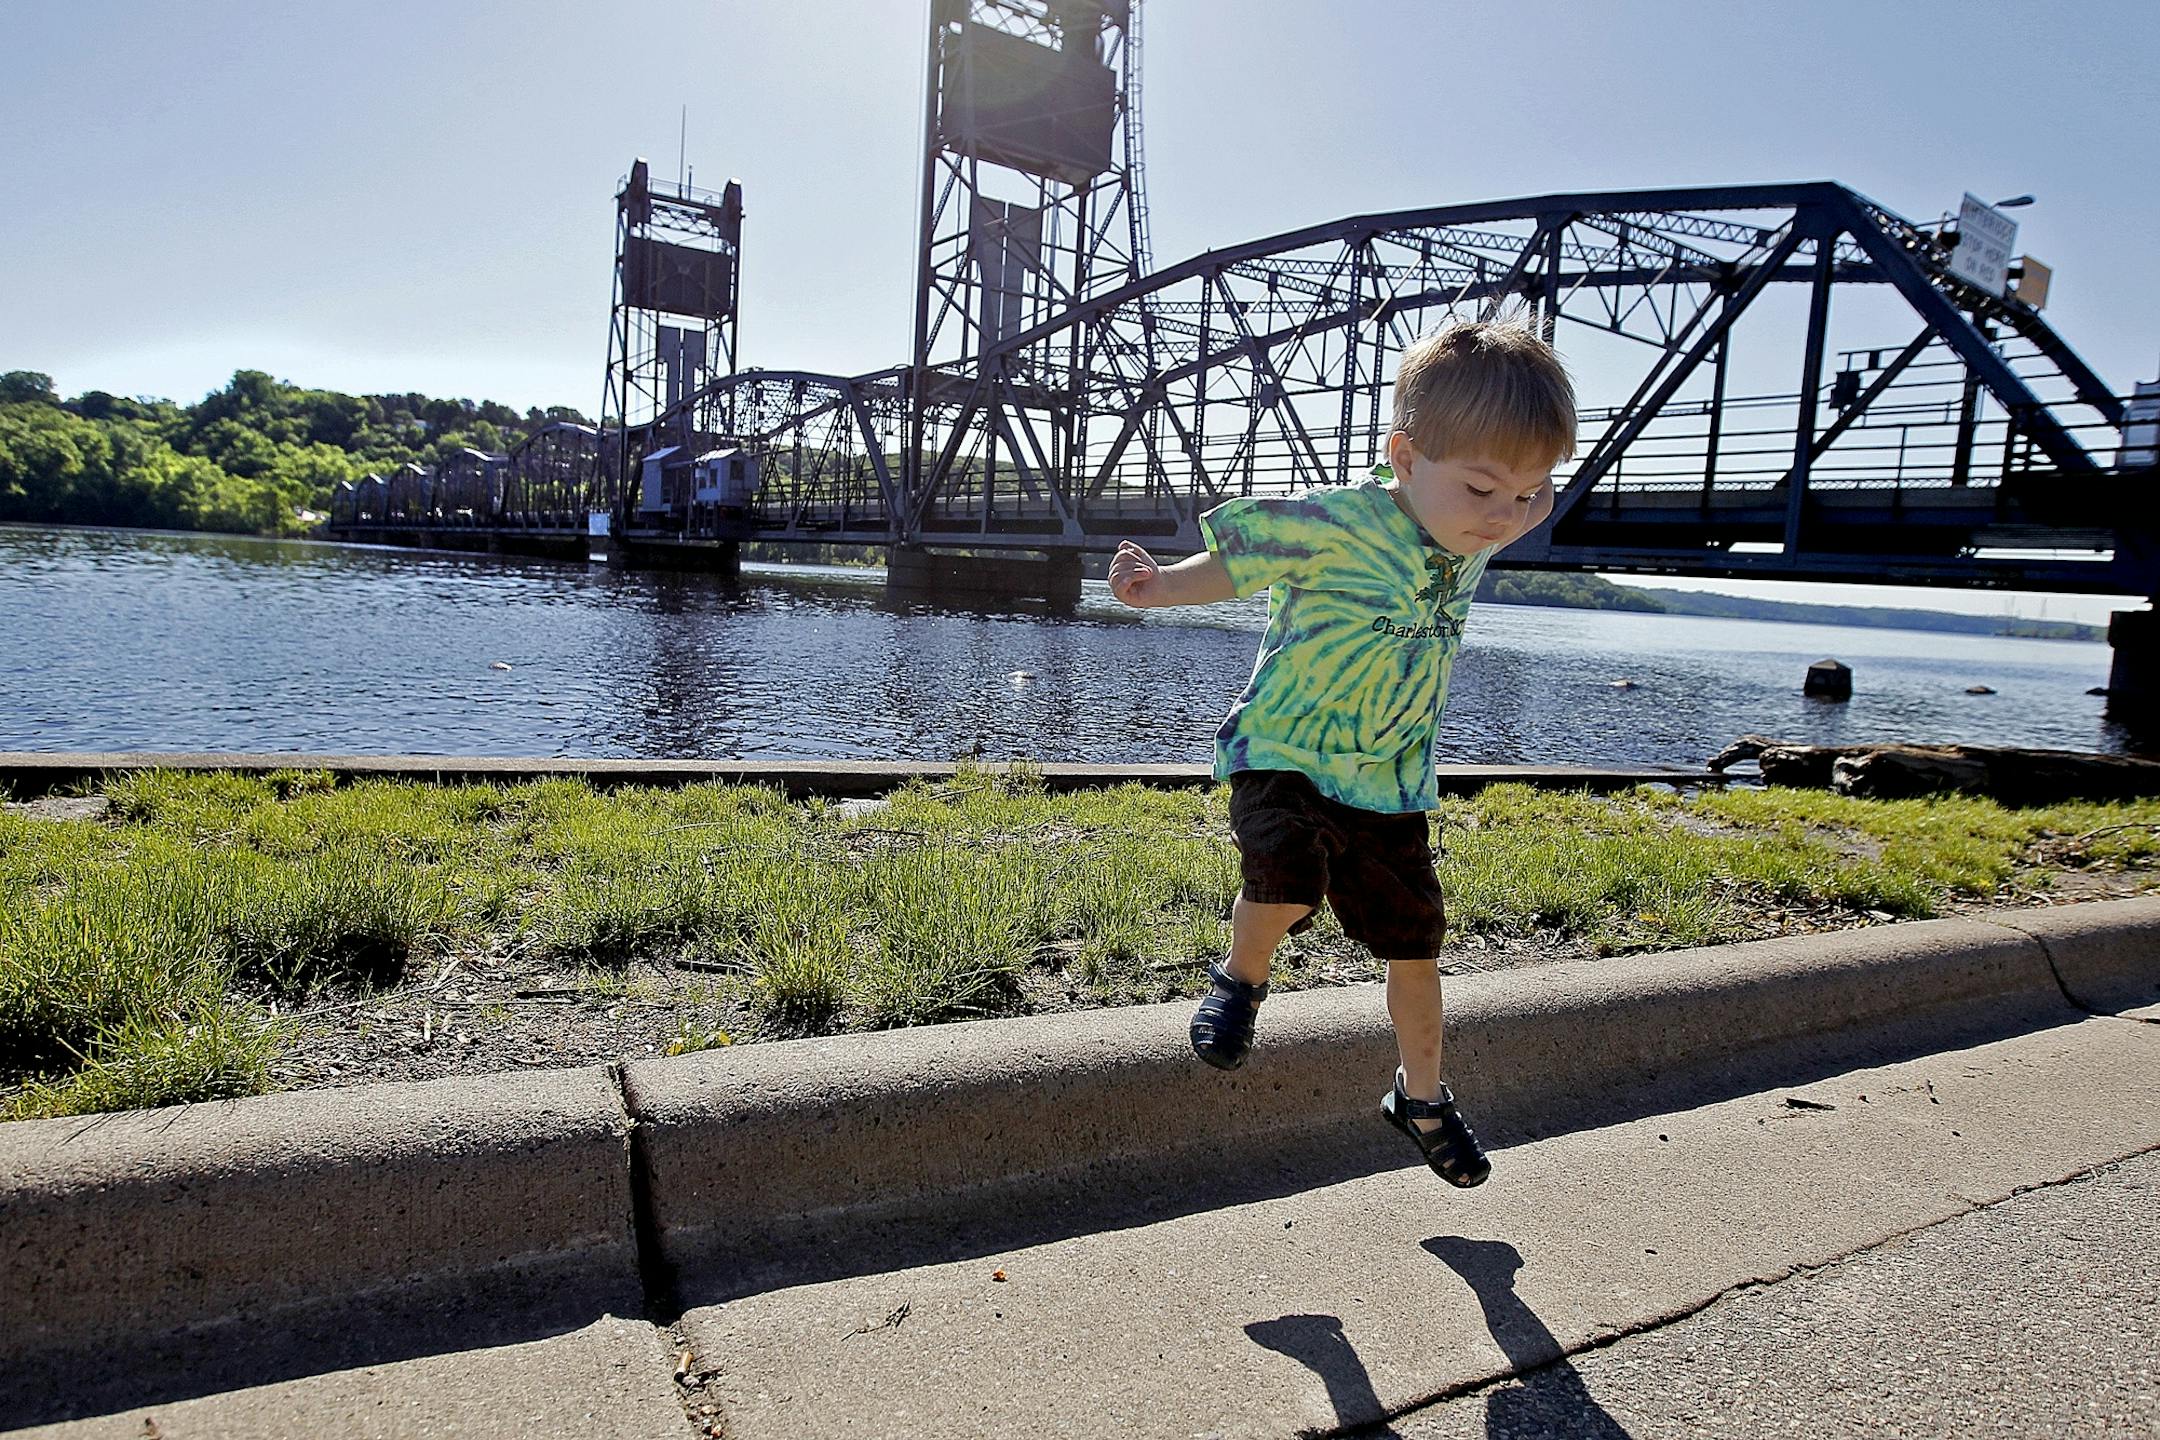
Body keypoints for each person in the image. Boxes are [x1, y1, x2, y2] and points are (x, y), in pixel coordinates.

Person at [1107, 315, 1576, 1187]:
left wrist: (1516, 490)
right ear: (1404, 458)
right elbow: (1235, 565)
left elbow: (1518, 493)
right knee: (1286, 880)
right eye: (1484, 490)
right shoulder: (1336, 521)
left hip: (1390, 785)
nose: (1506, 516)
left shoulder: (1470, 530)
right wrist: (1157, 589)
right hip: (1285, 746)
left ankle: (1422, 1099)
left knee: (1416, 949)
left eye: (1528, 494)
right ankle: (1241, 980)